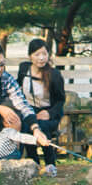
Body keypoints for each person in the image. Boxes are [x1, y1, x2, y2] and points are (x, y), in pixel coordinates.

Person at [12, 38, 66, 174]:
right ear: (30, 56)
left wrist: (49, 113)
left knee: (41, 126)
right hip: (29, 110)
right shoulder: (24, 68)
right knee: (25, 127)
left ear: (49, 55)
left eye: (44, 54)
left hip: (49, 112)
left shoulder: (54, 75)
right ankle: (34, 163)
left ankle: (50, 164)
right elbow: (18, 86)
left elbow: (60, 100)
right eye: (37, 54)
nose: (41, 58)